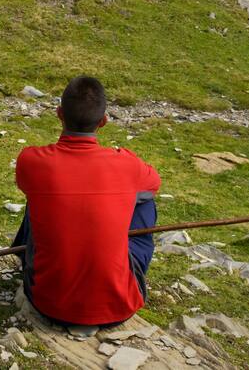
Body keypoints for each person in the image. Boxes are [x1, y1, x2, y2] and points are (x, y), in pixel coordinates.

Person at [11, 76, 160, 327]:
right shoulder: (127, 164)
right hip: (119, 308)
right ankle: (115, 273)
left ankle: (25, 258)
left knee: (37, 197)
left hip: (47, 303)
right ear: (103, 121)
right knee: (144, 201)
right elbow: (154, 184)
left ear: (59, 114)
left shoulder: (32, 161)